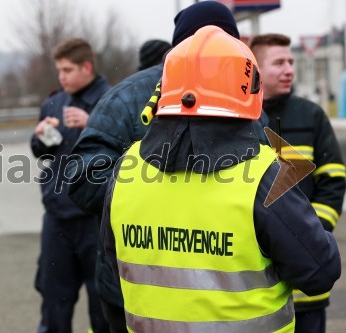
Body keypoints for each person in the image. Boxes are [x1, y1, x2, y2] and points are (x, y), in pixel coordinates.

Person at [100, 25, 341, 333]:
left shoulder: (126, 168)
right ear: (246, 89)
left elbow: (114, 260)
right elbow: (320, 271)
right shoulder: (263, 174)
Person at [67, 2, 248, 331]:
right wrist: (154, 191)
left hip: (225, 295)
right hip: (139, 299)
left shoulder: (243, 94)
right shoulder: (127, 99)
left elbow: (271, 175)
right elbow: (81, 179)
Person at [250, 33, 346, 333]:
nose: (289, 69)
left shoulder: (312, 115)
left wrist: (307, 237)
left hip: (309, 289)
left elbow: (333, 181)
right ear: (255, 68)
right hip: (258, 290)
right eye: (279, 62)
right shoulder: (244, 119)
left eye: (291, 61)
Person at [30, 38, 110, 333]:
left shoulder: (113, 100)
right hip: (57, 217)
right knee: (53, 300)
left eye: (67, 69)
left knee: (103, 304)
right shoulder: (54, 102)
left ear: (86, 67)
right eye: (59, 70)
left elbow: (131, 151)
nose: (61, 76)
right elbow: (42, 153)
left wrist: (93, 123)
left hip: (96, 219)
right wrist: (40, 137)